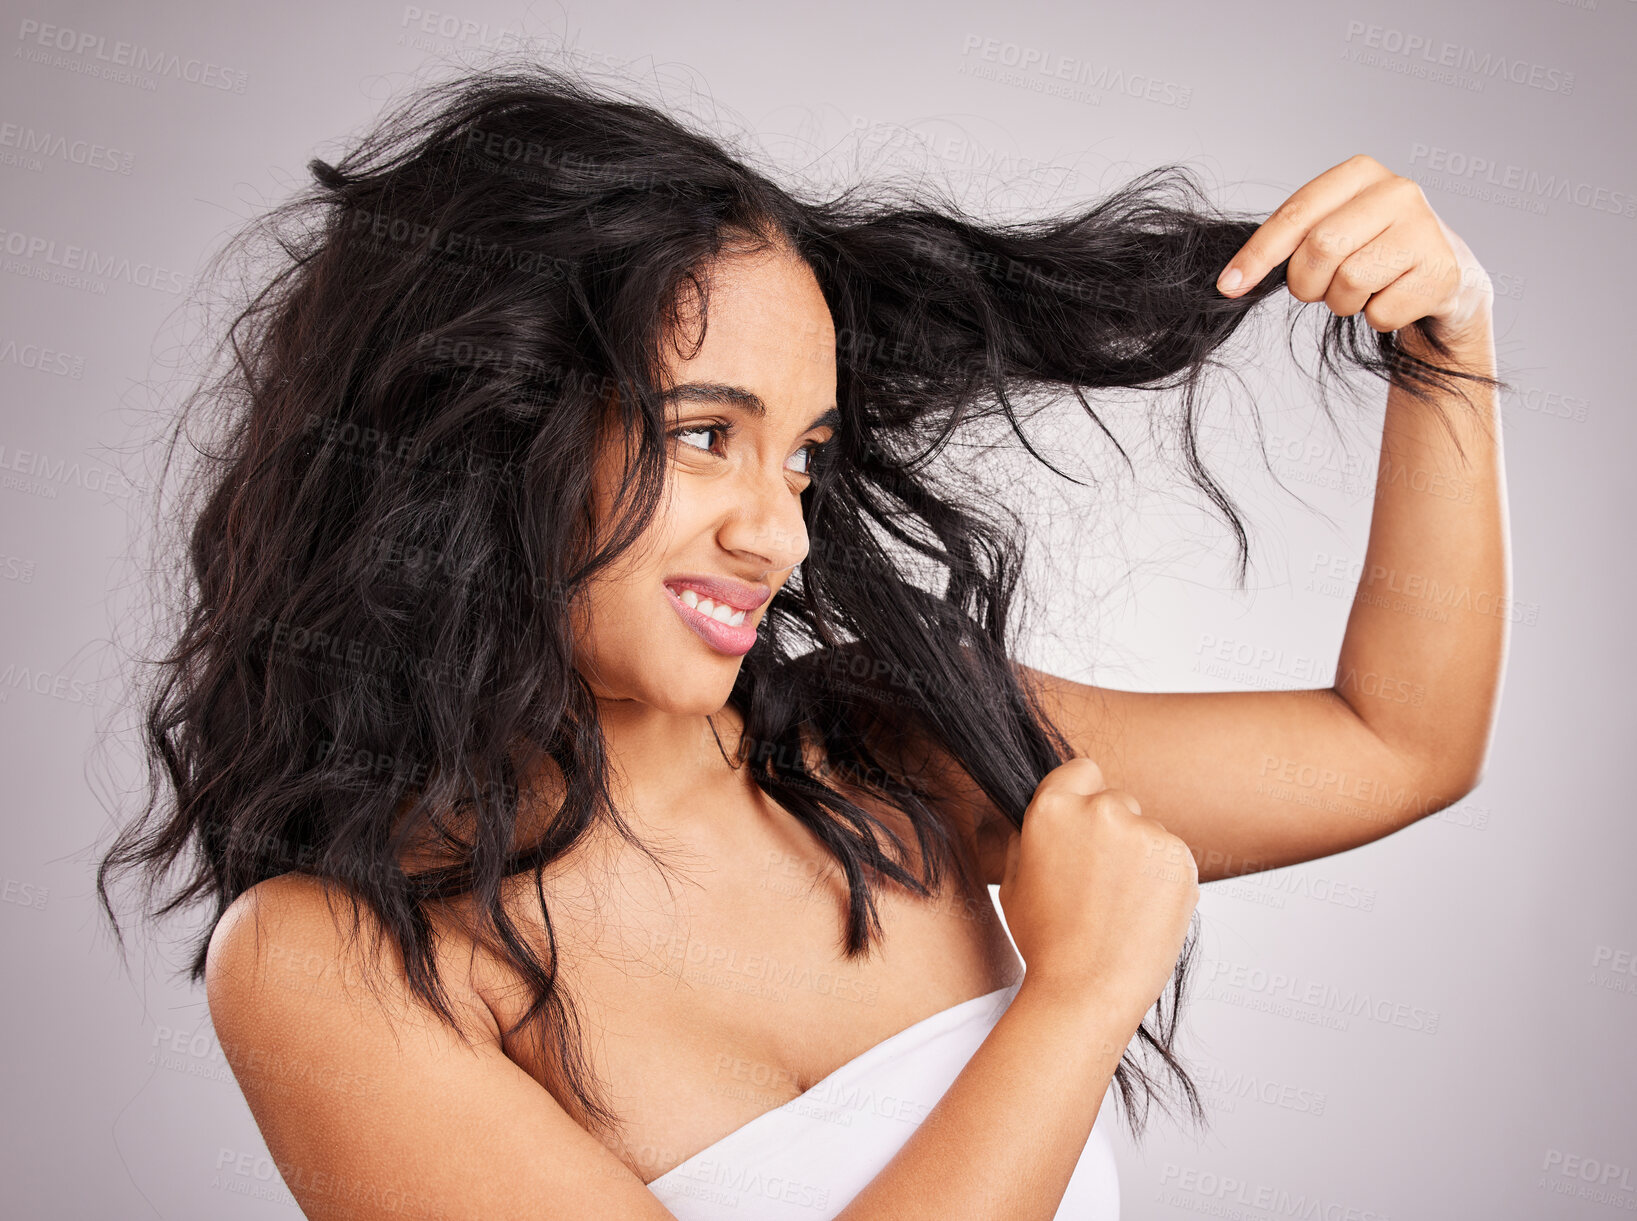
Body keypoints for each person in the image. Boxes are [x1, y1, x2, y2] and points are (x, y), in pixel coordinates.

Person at [95, 64, 1508, 1220]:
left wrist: (1450, 337)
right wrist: (1071, 1002)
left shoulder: (883, 750)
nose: (776, 534)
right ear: (485, 427)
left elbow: (1395, 743)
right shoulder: (339, 962)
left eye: (802, 460)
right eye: (706, 433)